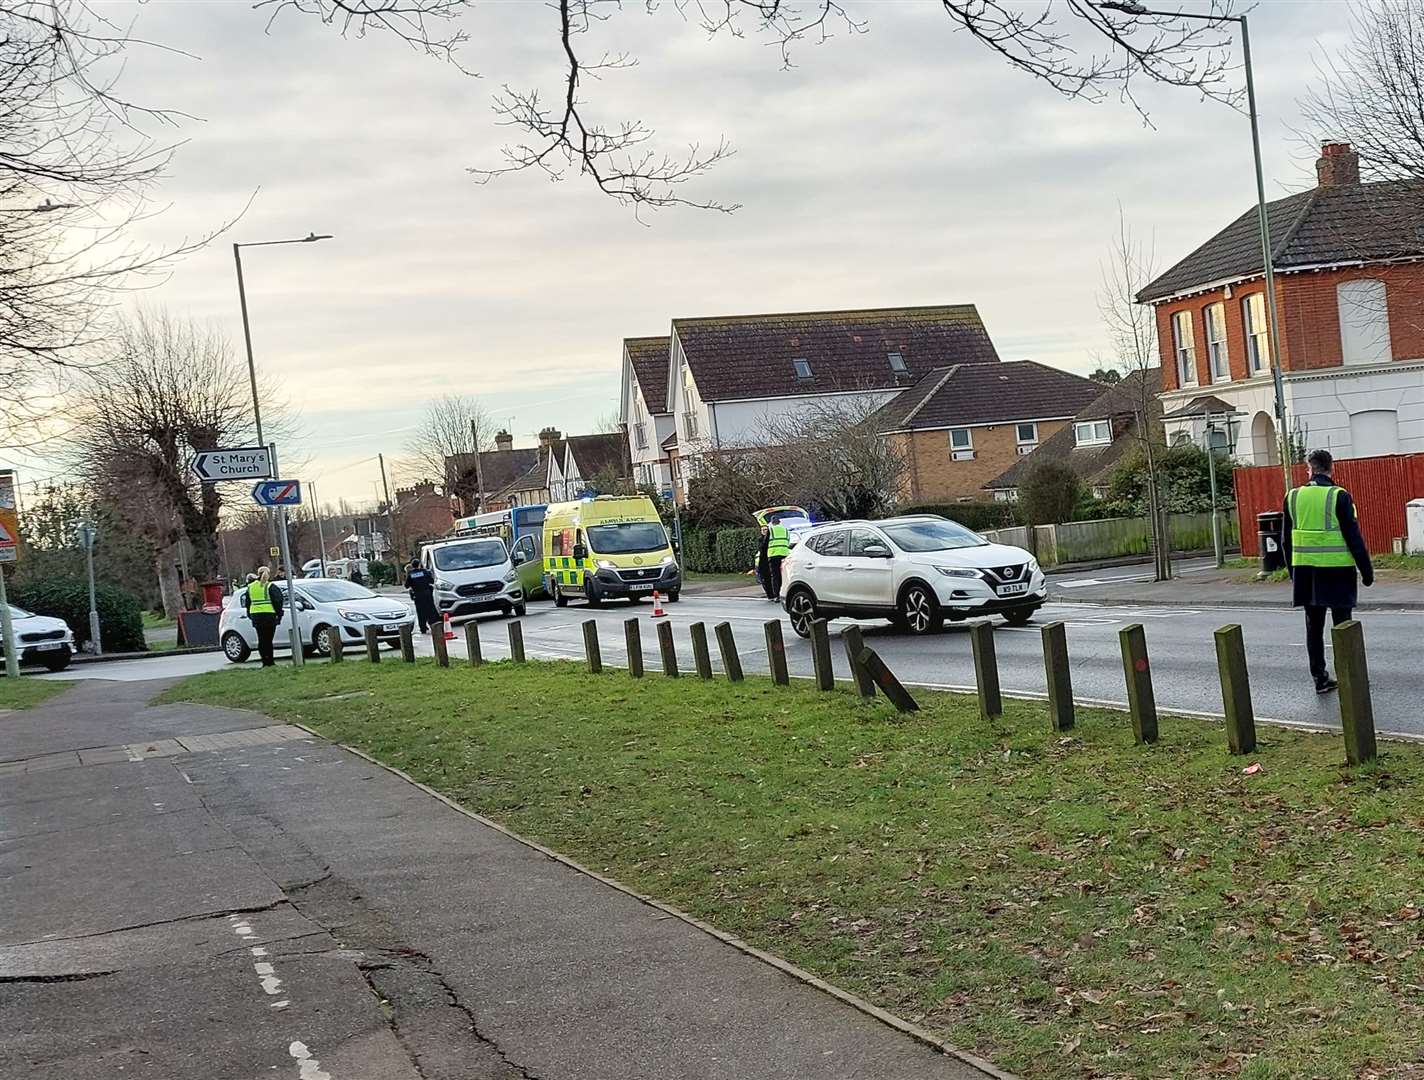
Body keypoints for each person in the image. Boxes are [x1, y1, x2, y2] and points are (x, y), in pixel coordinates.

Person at [1282, 449, 1373, 694]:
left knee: (1314, 628)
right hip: (1338, 571)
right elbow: (1353, 537)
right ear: (1331, 468)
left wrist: (1293, 573)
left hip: (1306, 573)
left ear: (1308, 469)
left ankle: (1320, 679)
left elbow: (1285, 541)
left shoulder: (1292, 497)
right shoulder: (1339, 496)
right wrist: (1366, 570)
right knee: (1343, 625)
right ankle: (1349, 675)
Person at [240, 566, 285, 668]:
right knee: (268, 640)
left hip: (256, 616)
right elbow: (278, 601)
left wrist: (250, 614)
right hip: (269, 615)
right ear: (268, 574)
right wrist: (279, 614)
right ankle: (270, 662)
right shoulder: (270, 586)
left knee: (261, 639)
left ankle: (264, 662)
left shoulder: (251, 587)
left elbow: (247, 602)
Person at [404, 556, 438, 634]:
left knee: (420, 612)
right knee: (430, 610)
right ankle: (433, 625)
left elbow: (406, 586)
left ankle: (423, 628)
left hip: (418, 596)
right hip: (427, 594)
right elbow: (431, 581)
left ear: (412, 566)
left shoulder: (411, 574)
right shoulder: (425, 572)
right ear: (419, 564)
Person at [765, 519, 791, 601]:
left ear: (772, 523)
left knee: (775, 576)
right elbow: (788, 541)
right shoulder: (786, 530)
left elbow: (765, 542)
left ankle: (777, 595)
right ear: (780, 522)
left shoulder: (771, 530)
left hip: (773, 555)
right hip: (785, 554)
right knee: (785, 575)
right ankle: (786, 594)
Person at [755, 525, 774, 599]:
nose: (764, 531)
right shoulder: (760, 539)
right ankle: (770, 594)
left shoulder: (771, 539)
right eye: (763, 530)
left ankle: (773, 593)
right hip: (763, 561)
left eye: (766, 529)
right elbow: (762, 547)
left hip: (770, 559)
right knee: (765, 578)